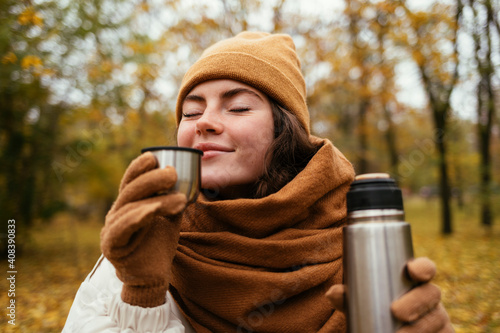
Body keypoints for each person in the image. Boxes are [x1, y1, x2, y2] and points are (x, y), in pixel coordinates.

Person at [63, 31, 453, 332]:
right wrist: (140, 294)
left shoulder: (360, 236)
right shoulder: (146, 240)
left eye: (238, 107)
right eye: (189, 111)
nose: (204, 122)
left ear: (285, 128)